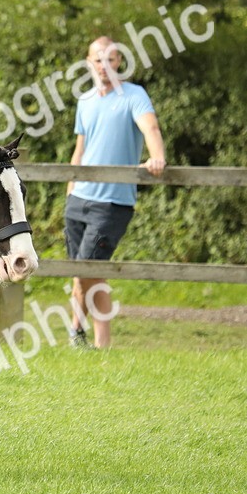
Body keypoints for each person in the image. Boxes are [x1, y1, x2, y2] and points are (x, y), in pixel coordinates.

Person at [65, 36, 166, 349]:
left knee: (92, 270)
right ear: (89, 64)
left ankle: (101, 346)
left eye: (110, 59)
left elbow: (150, 128)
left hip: (112, 202)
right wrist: (70, 188)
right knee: (79, 272)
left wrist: (157, 156)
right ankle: (76, 333)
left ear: (119, 61)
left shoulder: (134, 95)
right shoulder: (85, 101)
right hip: (78, 199)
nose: (104, 66)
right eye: (98, 60)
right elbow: (80, 149)